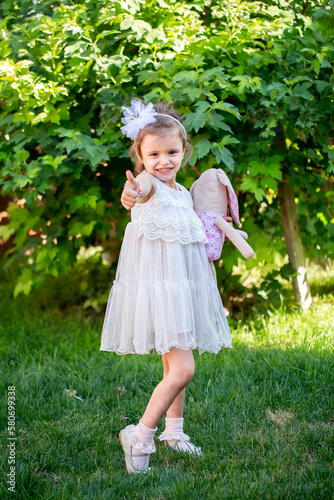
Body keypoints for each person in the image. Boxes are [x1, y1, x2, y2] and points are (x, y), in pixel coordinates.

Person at [100, 99, 233, 474]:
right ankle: (140, 434)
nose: (164, 161)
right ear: (140, 157)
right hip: (159, 292)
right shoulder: (150, 185)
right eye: (153, 154)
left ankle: (173, 432)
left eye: (171, 152)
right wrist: (133, 192)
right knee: (183, 370)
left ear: (183, 151)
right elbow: (137, 191)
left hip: (181, 291)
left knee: (176, 362)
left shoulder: (182, 193)